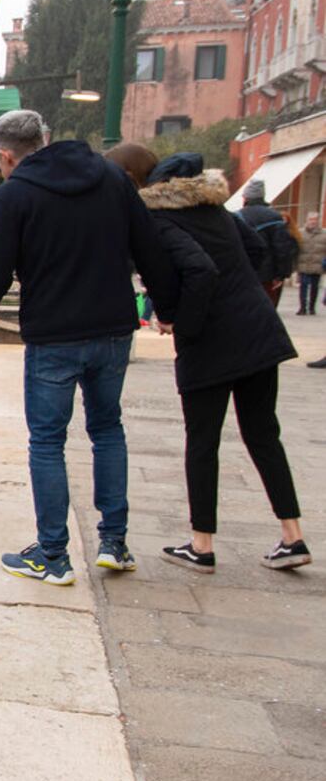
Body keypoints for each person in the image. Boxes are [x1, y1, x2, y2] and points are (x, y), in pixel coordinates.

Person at [0, 110, 177, 586]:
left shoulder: (13, 195)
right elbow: (149, 245)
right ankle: (114, 543)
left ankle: (53, 555)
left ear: (5, 155)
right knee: (107, 429)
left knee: (47, 442)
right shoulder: (112, 177)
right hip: (114, 328)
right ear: (45, 138)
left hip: (53, 334)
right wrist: (168, 307)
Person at [130, 150, 311, 572]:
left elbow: (200, 270)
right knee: (264, 436)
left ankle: (202, 544)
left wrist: (180, 323)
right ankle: (293, 536)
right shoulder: (222, 214)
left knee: (203, 441)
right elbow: (256, 250)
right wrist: (241, 291)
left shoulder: (162, 220)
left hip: (211, 340)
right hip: (259, 331)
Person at [238, 178, 297, 308]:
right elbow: (282, 248)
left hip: (245, 274)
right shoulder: (274, 217)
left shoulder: (238, 216)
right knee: (267, 310)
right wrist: (281, 274)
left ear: (246, 198)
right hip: (268, 275)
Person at [296, 211, 326, 315]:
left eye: (315, 220)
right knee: (303, 286)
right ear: (307, 220)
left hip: (317, 265)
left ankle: (312, 307)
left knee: (314, 287)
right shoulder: (300, 232)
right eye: (311, 219)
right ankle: (302, 308)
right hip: (303, 264)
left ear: (318, 221)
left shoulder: (324, 234)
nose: (312, 222)